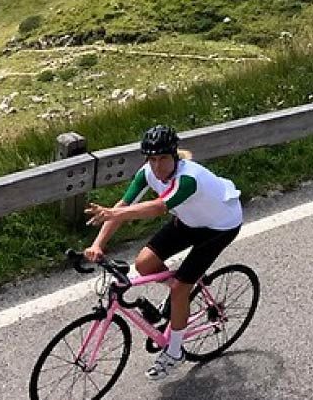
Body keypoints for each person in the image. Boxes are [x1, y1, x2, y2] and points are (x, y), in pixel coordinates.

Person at [84, 124, 243, 381]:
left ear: (174, 156)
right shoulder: (147, 173)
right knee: (144, 265)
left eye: (163, 159)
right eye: (152, 159)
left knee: (180, 288)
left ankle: (176, 349)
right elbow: (124, 205)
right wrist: (98, 244)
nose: (157, 166)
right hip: (188, 221)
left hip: (219, 227)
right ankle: (179, 299)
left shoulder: (188, 179)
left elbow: (159, 207)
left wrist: (114, 214)